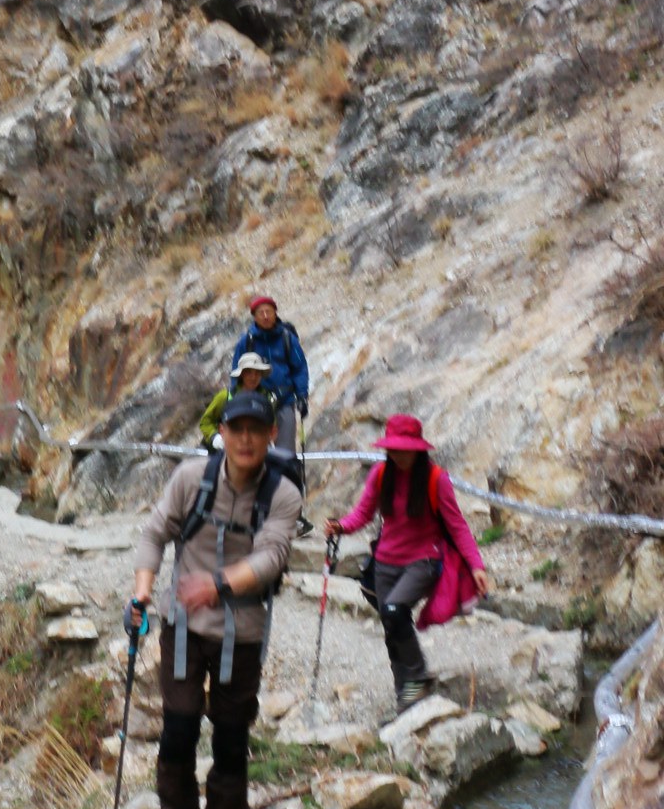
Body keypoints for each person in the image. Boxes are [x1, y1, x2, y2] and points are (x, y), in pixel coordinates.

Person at [126, 388, 300, 809]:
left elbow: (272, 557)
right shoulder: (190, 479)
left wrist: (217, 584)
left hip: (241, 637)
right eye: (235, 429)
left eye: (255, 430)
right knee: (178, 731)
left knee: (230, 742)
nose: (245, 440)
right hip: (183, 630)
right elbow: (154, 534)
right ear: (221, 433)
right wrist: (141, 595)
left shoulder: (282, 495)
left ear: (271, 435)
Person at [326, 414, 488, 709]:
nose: (398, 455)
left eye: (404, 449)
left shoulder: (436, 480)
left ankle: (418, 678)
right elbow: (362, 513)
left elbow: (457, 526)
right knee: (392, 626)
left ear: (417, 449)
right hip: (385, 562)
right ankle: (406, 696)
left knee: (394, 610)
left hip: (423, 561)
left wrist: (476, 565)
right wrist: (341, 527)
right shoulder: (379, 474)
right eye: (393, 449)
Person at [231, 293, 309, 458]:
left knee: (285, 452)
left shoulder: (288, 339)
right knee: (255, 448)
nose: (266, 316)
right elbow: (236, 371)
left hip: (285, 401)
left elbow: (300, 367)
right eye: (261, 313)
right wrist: (235, 398)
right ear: (254, 317)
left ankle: (284, 481)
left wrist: (302, 396)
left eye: (269, 311)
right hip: (256, 401)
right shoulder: (247, 341)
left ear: (275, 313)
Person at [198, 351, 275, 448]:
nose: (253, 377)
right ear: (242, 374)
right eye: (249, 372)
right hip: (221, 449)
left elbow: (271, 424)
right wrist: (214, 437)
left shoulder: (266, 398)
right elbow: (205, 422)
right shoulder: (225, 396)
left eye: (257, 373)